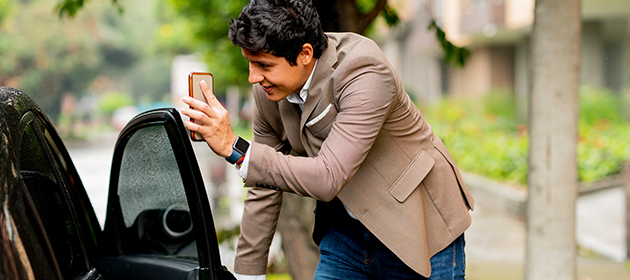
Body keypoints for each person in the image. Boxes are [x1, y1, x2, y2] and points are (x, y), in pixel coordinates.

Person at [181, 0, 474, 279]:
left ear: (305, 54)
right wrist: (248, 272)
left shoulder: (365, 71)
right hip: (344, 232)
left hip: (418, 226)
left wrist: (236, 149)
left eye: (265, 65)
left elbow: (327, 176)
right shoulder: (269, 90)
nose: (253, 78)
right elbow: (262, 181)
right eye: (250, 63)